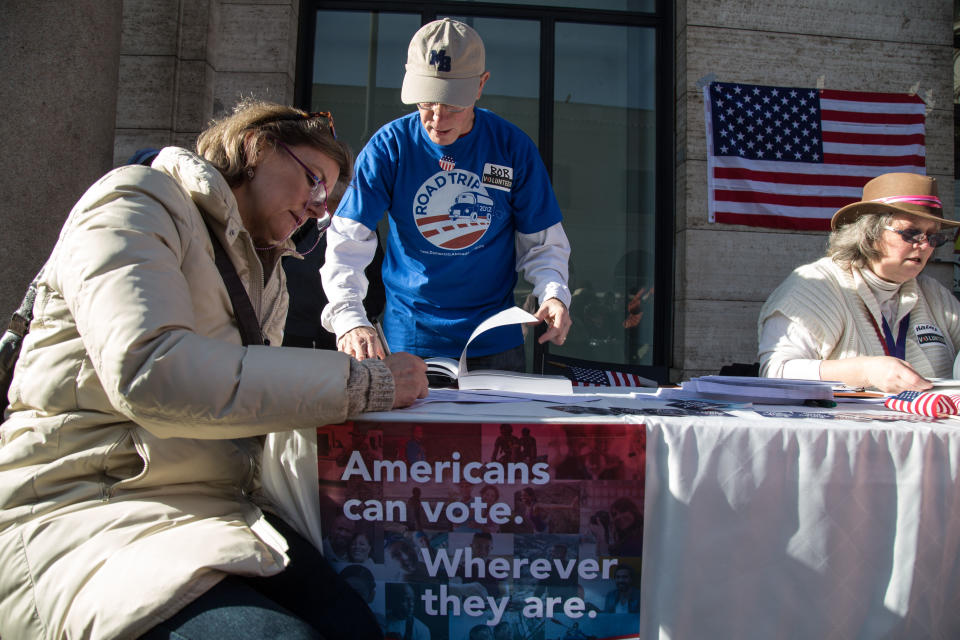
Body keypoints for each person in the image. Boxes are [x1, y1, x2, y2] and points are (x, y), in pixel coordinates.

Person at [0, 99, 428, 640]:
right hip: (87, 505)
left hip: (211, 507)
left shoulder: (263, 268)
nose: (321, 206)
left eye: (330, 197)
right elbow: (153, 373)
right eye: (314, 180)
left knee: (361, 626)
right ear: (257, 146)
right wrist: (363, 382)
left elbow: (244, 400)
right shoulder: (134, 200)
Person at [320, 18, 573, 370]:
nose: (437, 118)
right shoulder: (389, 148)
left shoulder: (512, 148)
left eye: (452, 104)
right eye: (426, 102)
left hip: (494, 336)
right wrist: (349, 317)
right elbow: (347, 241)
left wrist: (553, 293)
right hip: (408, 335)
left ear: (481, 85)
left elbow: (543, 243)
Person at [758, 172, 960, 393]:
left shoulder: (934, 295)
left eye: (933, 238)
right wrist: (865, 371)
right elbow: (776, 372)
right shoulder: (818, 285)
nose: (924, 246)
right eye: (911, 233)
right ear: (869, 233)